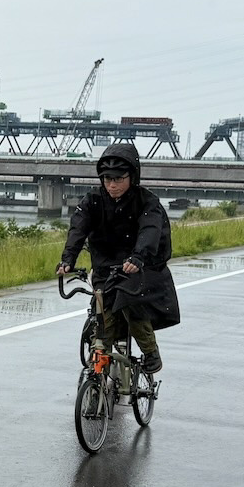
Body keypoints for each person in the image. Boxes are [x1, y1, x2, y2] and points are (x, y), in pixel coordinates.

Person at [56, 143, 180, 372]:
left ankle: (151, 352)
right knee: (103, 313)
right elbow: (78, 228)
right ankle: (98, 374)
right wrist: (68, 259)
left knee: (131, 303)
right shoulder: (92, 200)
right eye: (107, 179)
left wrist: (138, 257)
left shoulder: (147, 201)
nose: (112, 185)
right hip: (106, 264)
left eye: (118, 179)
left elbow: (150, 230)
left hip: (143, 265)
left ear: (132, 177)